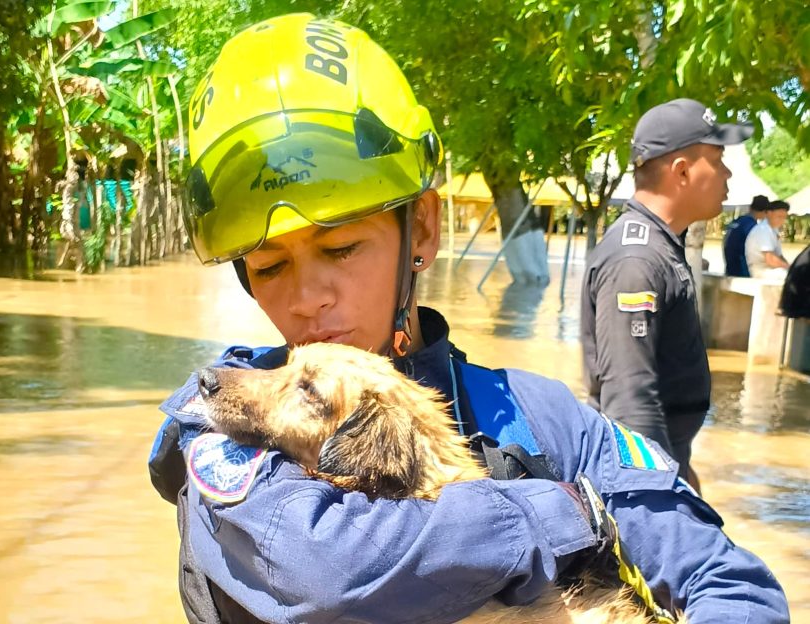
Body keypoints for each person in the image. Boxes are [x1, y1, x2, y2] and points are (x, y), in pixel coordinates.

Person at [149, 17, 788, 624]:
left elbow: (729, 582)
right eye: (267, 266)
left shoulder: (544, 419)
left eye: (340, 248)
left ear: (422, 227)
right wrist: (558, 514)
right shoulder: (229, 423)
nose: (306, 297)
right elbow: (319, 569)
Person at [581, 98, 753, 492]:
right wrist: (667, 500)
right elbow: (629, 400)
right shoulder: (636, 258)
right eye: (719, 159)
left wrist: (682, 471)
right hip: (642, 482)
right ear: (682, 171)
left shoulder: (659, 245)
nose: (728, 174)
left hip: (666, 460)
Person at [723, 194, 769, 276]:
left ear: (750, 207)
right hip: (742, 270)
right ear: (765, 212)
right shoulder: (752, 226)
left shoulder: (737, 221)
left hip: (730, 268)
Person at [746, 199, 791, 279]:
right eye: (779, 217)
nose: (782, 220)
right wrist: (791, 269)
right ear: (769, 213)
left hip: (771, 269)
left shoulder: (773, 230)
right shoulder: (763, 230)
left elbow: (779, 256)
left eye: (784, 218)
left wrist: (790, 266)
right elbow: (770, 260)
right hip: (761, 271)